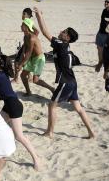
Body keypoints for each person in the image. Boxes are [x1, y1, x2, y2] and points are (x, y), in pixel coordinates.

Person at [34, 7, 95, 139]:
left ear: (67, 37)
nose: (61, 31)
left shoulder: (61, 44)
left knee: (52, 105)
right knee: (78, 108)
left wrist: (39, 15)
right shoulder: (65, 45)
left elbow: (45, 32)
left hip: (66, 82)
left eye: (64, 31)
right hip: (72, 82)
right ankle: (91, 132)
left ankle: (50, 132)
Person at [16, 18, 55, 96]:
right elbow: (24, 50)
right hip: (31, 58)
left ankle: (52, 89)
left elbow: (29, 52)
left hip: (39, 59)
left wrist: (22, 63)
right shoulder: (25, 36)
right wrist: (20, 62)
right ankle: (28, 92)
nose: (21, 26)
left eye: (22, 25)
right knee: (23, 75)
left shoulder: (32, 38)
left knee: (35, 80)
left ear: (27, 27)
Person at [12, 8, 39, 83]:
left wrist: (33, 40)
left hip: (27, 45)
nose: (22, 15)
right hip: (27, 44)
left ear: (29, 15)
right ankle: (29, 77)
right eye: (22, 13)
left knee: (17, 61)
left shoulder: (28, 22)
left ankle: (16, 78)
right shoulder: (27, 22)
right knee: (26, 60)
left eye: (24, 14)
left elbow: (37, 31)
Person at [95, 0, 109, 72]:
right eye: (105, 1)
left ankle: (108, 65)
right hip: (100, 32)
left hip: (108, 34)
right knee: (99, 49)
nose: (105, 3)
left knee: (108, 50)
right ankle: (100, 62)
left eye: (107, 2)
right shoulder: (104, 10)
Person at [102, 28, 109, 115]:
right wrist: (99, 63)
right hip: (107, 66)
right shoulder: (108, 36)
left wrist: (108, 70)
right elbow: (105, 52)